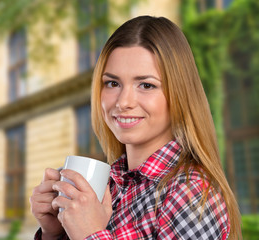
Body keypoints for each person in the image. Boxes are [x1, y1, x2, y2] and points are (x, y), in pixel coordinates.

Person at [30, 15, 242, 240]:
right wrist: (54, 233)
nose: (123, 102)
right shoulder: (110, 184)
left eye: (146, 85)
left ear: (179, 93)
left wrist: (90, 235)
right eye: (112, 83)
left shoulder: (190, 193)